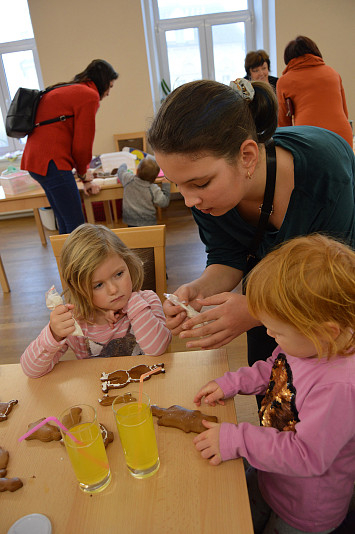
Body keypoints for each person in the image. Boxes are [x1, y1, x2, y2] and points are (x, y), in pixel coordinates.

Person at [147, 78, 355, 379]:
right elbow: (229, 255)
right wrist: (199, 289)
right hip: (269, 307)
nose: (189, 200)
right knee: (273, 392)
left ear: (247, 156)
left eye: (200, 183)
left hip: (331, 319)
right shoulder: (209, 198)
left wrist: (255, 310)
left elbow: (332, 289)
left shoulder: (326, 173)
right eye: (177, 184)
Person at [193, 234, 355, 534]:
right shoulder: (307, 345)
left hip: (303, 509)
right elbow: (275, 369)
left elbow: (306, 455)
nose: (269, 334)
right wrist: (233, 383)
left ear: (326, 332)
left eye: (277, 331)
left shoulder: (339, 387)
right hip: (270, 471)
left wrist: (237, 440)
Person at [20, 223, 171, 378]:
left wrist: (133, 302)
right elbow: (30, 370)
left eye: (119, 274)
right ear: (79, 290)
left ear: (128, 264)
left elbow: (157, 349)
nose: (113, 289)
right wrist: (53, 334)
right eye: (98, 285)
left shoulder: (147, 301)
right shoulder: (75, 321)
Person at [21, 59, 119, 234]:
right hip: (52, 162)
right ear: (103, 81)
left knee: (66, 222)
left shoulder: (67, 89)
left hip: (36, 161)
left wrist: (83, 175)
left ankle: (65, 262)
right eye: (110, 87)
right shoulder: (89, 95)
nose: (109, 93)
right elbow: (82, 144)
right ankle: (76, 262)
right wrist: (85, 176)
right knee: (76, 224)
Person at [276, 36, 353, 147]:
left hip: (308, 137)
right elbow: (344, 112)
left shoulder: (284, 81)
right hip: (342, 135)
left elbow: (283, 125)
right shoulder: (333, 73)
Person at [117, 156, 171, 226]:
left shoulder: (128, 179)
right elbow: (164, 203)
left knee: (134, 236)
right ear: (155, 177)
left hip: (130, 221)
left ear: (137, 171)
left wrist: (124, 164)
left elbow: (120, 171)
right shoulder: (153, 189)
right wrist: (166, 185)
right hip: (149, 222)